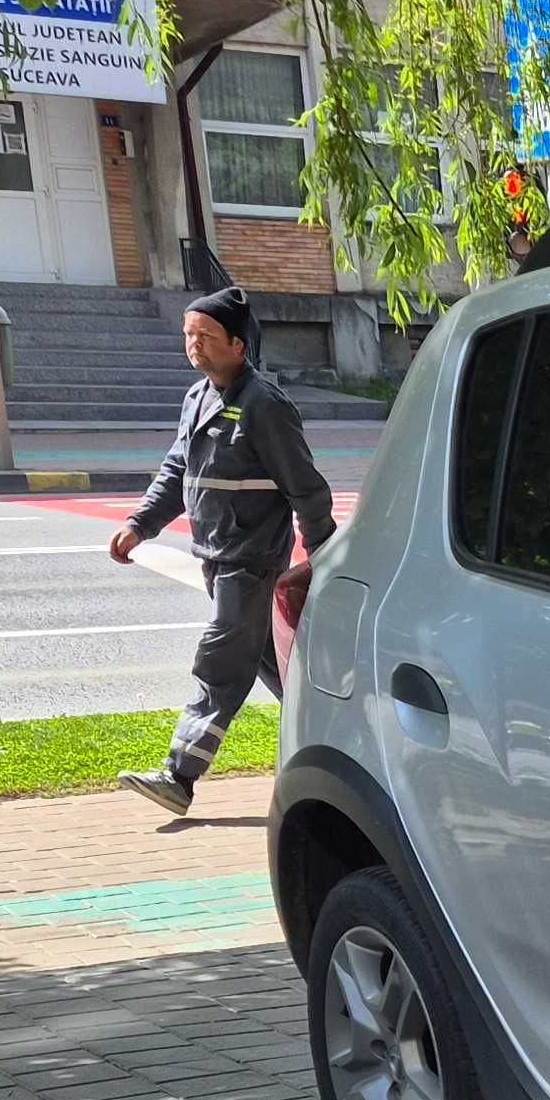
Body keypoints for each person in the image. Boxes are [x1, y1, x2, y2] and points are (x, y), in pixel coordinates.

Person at [110, 286, 336, 814]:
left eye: (207, 337)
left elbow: (305, 486)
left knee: (220, 664)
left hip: (252, 560)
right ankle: (345, 741)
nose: (195, 346)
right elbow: (175, 472)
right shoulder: (197, 398)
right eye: (189, 335)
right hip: (213, 555)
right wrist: (140, 525)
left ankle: (178, 775)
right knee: (277, 668)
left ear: (238, 344)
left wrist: (323, 551)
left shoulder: (265, 406)